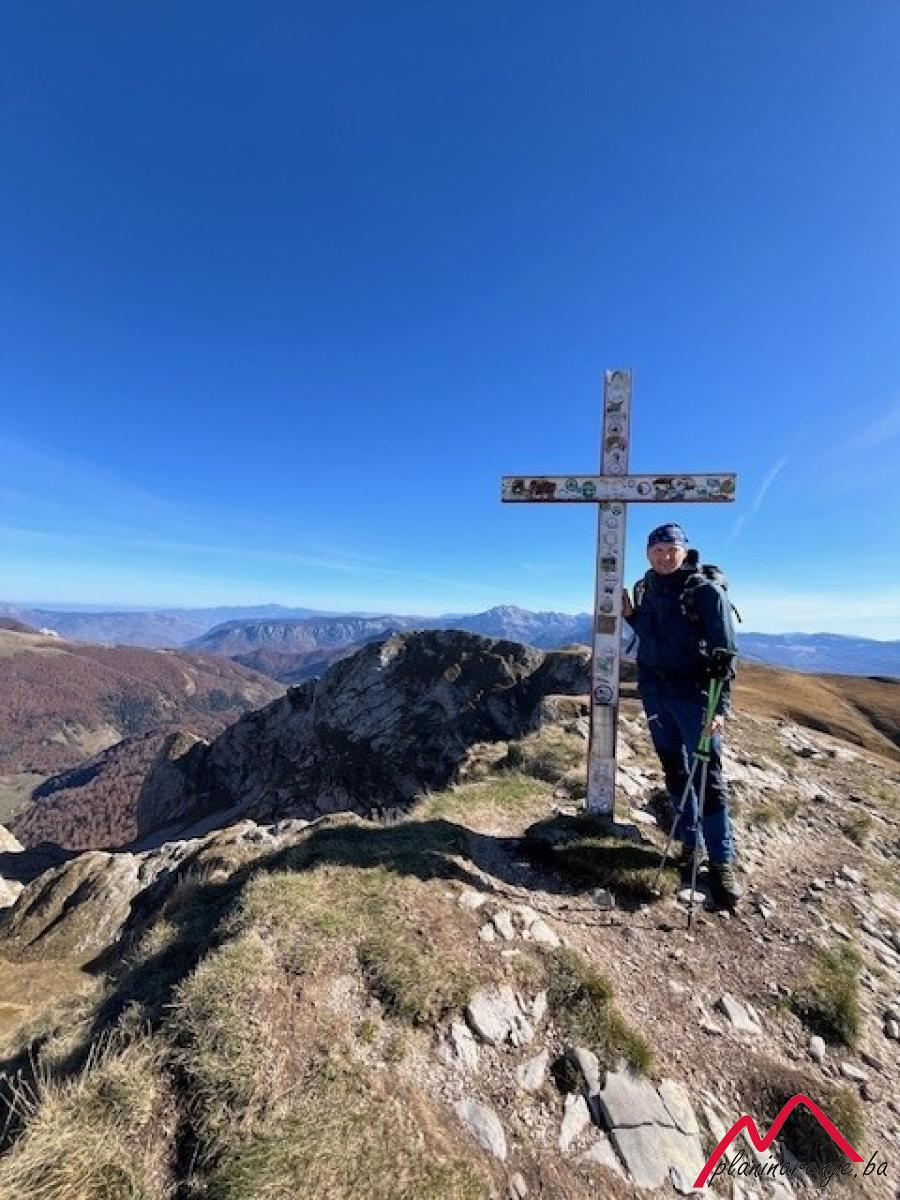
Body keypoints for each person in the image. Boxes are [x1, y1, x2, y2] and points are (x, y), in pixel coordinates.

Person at [622, 522, 740, 911]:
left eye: (671, 549)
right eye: (657, 550)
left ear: (684, 551)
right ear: (648, 553)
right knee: (674, 770)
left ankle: (722, 863)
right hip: (656, 695)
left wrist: (719, 708)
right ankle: (691, 845)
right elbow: (653, 634)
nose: (664, 556)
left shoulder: (704, 592)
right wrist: (631, 616)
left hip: (694, 698)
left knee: (707, 776)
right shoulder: (646, 588)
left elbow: (724, 654)